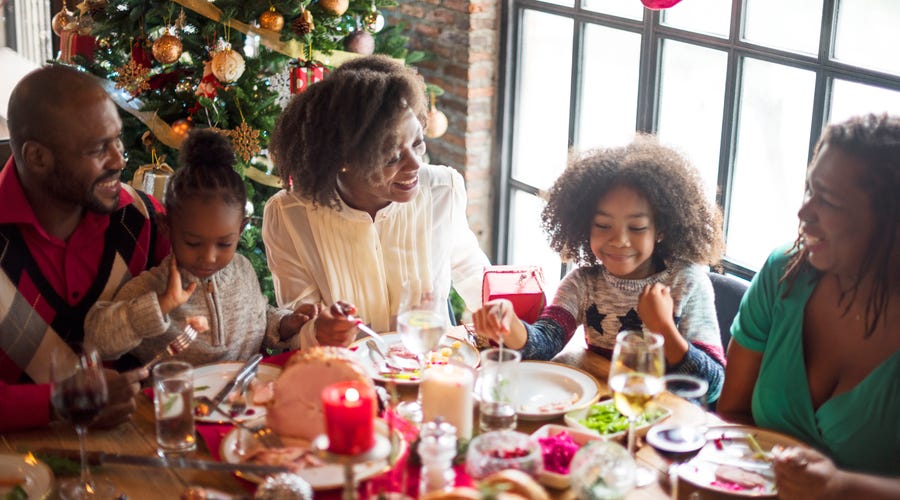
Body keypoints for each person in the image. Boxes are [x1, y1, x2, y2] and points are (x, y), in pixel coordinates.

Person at [718, 113, 899, 495]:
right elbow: (732, 414)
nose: (803, 213)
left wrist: (839, 487)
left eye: (829, 201)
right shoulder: (784, 272)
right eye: (808, 190)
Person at [474, 136, 726, 402]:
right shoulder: (583, 283)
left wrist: (663, 327)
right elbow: (544, 343)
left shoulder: (687, 283)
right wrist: (509, 324)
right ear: (585, 225)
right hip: (608, 413)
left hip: (670, 425)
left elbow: (713, 385)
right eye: (603, 226)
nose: (619, 240)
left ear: (661, 229)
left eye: (637, 227)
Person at [262, 55, 490, 342]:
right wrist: (317, 332)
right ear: (343, 159)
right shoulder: (288, 215)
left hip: (433, 370)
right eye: (393, 157)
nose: (415, 164)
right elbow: (297, 328)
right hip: (347, 377)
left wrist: (503, 314)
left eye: (417, 143)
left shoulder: (443, 189)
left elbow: (473, 272)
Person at [85, 129, 356, 365]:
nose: (209, 257)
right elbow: (98, 341)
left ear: (240, 229)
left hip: (246, 404)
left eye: (224, 243)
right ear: (167, 227)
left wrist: (287, 323)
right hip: (181, 409)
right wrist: (161, 305)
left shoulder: (243, 270)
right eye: (193, 243)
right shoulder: (150, 288)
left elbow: (261, 317)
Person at [0, 65, 167, 432]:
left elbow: (211, 291)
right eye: (97, 149)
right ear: (38, 158)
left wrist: (290, 327)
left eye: (118, 140)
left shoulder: (144, 220)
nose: (120, 160)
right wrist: (60, 404)